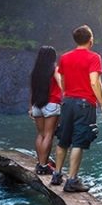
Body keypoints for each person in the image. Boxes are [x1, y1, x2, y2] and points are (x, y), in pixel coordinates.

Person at [51, 25, 102, 192]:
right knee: (78, 141)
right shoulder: (94, 57)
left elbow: (62, 80)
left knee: (63, 139)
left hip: (67, 101)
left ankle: (56, 175)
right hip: (84, 104)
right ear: (91, 40)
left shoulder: (64, 57)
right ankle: (72, 180)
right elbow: (94, 82)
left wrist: (66, 94)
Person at [28, 46, 63, 175]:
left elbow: (32, 90)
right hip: (52, 104)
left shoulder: (35, 72)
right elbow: (61, 84)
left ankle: (40, 162)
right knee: (49, 135)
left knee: (41, 134)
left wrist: (30, 107)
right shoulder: (54, 69)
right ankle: (43, 165)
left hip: (37, 105)